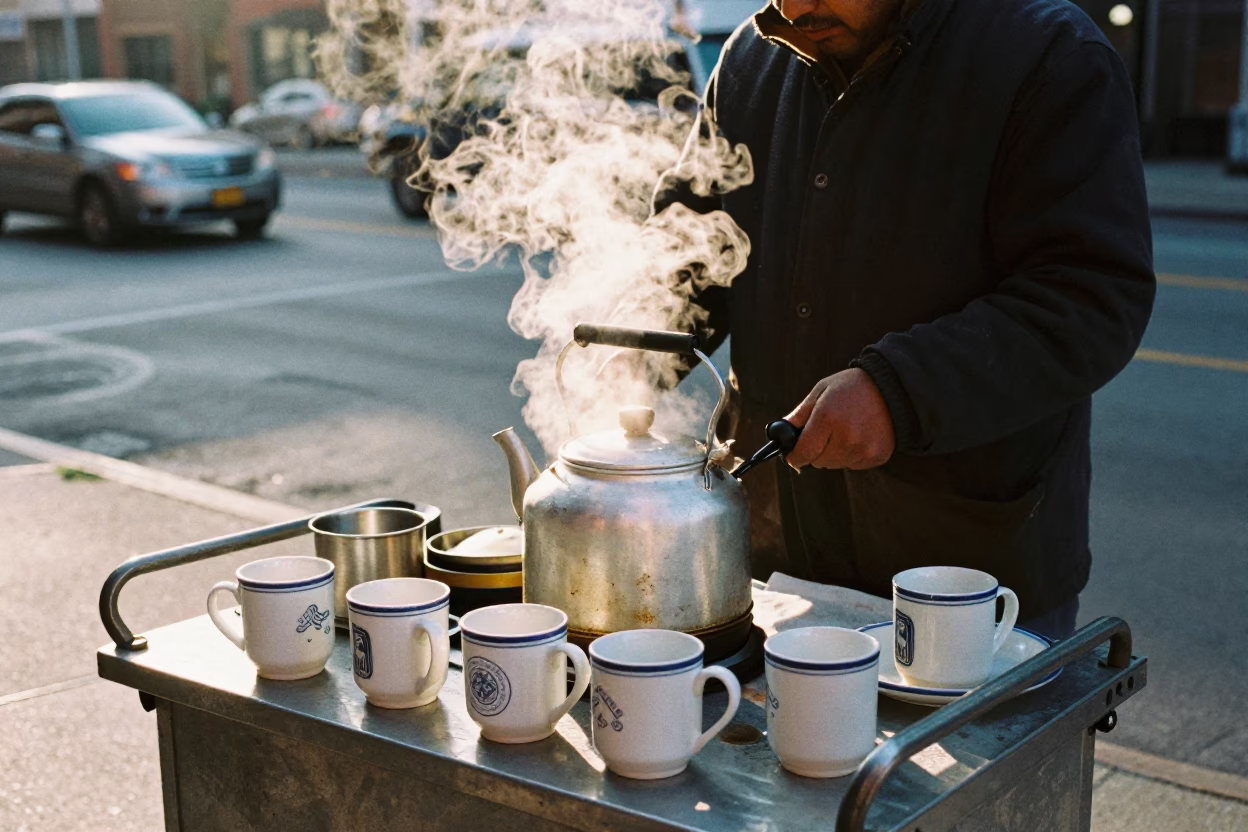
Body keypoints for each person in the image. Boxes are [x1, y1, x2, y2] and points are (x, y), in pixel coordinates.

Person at [667, 0, 1156, 639]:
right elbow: (688, 252)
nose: (796, 6)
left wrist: (898, 393)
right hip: (775, 557)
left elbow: (1091, 293)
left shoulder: (1047, 54)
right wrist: (631, 346)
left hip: (966, 576)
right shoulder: (748, 62)